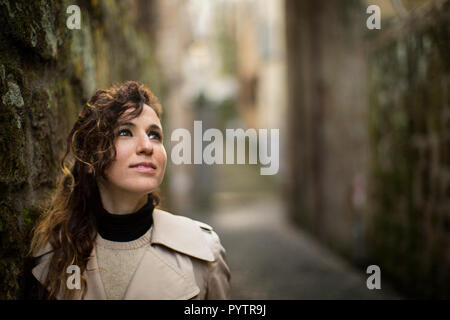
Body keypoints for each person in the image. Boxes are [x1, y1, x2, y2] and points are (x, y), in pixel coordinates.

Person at [26, 81, 231, 300]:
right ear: (91, 155)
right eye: (125, 132)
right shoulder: (50, 259)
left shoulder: (204, 253)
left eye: (154, 135)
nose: (147, 146)